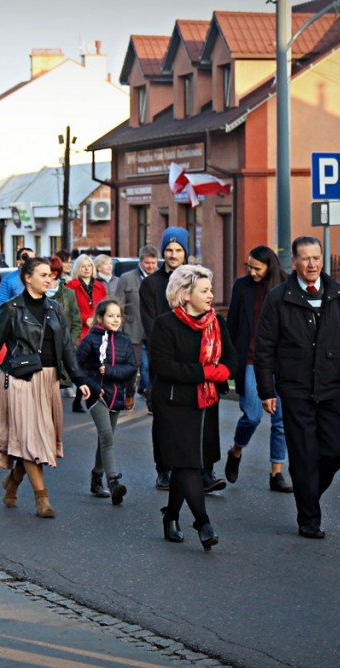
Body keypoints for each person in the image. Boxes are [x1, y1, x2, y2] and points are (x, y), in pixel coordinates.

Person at [255, 236, 340, 539]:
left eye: (317, 258)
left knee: (336, 450)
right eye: (305, 258)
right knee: (305, 454)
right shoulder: (279, 297)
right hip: (294, 389)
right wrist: (266, 390)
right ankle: (309, 518)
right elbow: (264, 347)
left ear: (323, 259)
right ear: (293, 262)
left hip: (331, 387)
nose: (312, 264)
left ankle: (308, 495)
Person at [0, 258, 90, 518]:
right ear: (27, 278)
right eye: (43, 275)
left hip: (49, 380)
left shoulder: (54, 307)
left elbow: (67, 346)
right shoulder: (11, 309)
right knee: (30, 439)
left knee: (39, 439)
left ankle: (13, 480)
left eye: (51, 275)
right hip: (20, 380)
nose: (49, 279)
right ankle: (42, 499)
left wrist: (80, 380)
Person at [151, 265, 235, 551]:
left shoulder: (217, 323)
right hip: (173, 404)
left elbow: (231, 361)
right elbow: (163, 367)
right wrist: (206, 372)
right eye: (204, 290)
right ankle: (203, 522)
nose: (211, 294)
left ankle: (171, 516)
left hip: (205, 404)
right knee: (187, 462)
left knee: (189, 464)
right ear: (185, 295)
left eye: (210, 289)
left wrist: (223, 371)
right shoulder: (166, 324)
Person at [141, 227, 226, 492]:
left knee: (205, 416)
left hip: (199, 357)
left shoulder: (196, 278)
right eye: (169, 249)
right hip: (166, 357)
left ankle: (205, 470)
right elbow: (149, 322)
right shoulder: (152, 284)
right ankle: (164, 469)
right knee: (165, 418)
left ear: (186, 251)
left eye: (178, 250)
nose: (173, 254)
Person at [224, 246, 291, 493]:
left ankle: (276, 474)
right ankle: (237, 450)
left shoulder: (286, 284)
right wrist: (227, 359)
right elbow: (232, 322)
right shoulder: (242, 286)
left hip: (280, 363)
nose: (252, 272)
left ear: (269, 267)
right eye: (249, 267)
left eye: (257, 268)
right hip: (250, 361)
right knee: (252, 414)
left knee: (281, 420)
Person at [76, 299, 136, 505]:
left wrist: (128, 392)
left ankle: (96, 478)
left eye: (118, 316)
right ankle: (113, 482)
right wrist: (93, 385)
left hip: (116, 396)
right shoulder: (91, 339)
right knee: (107, 436)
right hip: (97, 395)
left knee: (105, 439)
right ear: (100, 318)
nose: (115, 320)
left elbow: (131, 368)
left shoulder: (124, 341)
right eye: (110, 316)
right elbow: (77, 366)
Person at [114, 245, 158, 403]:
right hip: (133, 329)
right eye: (147, 263)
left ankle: (152, 401)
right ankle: (129, 393)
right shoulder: (127, 278)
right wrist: (119, 327)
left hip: (155, 330)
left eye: (154, 263)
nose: (151, 266)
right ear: (140, 261)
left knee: (155, 367)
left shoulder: (160, 279)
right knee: (133, 366)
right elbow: (118, 304)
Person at [67, 254, 107, 413]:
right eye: (82, 266)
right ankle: (78, 400)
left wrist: (98, 319)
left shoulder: (99, 286)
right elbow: (70, 308)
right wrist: (85, 319)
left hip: (97, 328)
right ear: (78, 268)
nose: (86, 269)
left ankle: (92, 397)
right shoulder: (71, 286)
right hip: (80, 330)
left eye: (89, 266)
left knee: (95, 366)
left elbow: (105, 305)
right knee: (81, 365)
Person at [47, 256, 82, 399]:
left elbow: (76, 321)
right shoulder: (36, 294)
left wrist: (72, 343)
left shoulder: (68, 294)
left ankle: (66, 385)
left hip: (64, 342)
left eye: (49, 273)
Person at [0, 247, 34, 311]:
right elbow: (0, 307)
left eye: (33, 259)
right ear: (18, 262)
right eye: (25, 258)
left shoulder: (39, 278)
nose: (30, 261)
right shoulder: (8, 281)